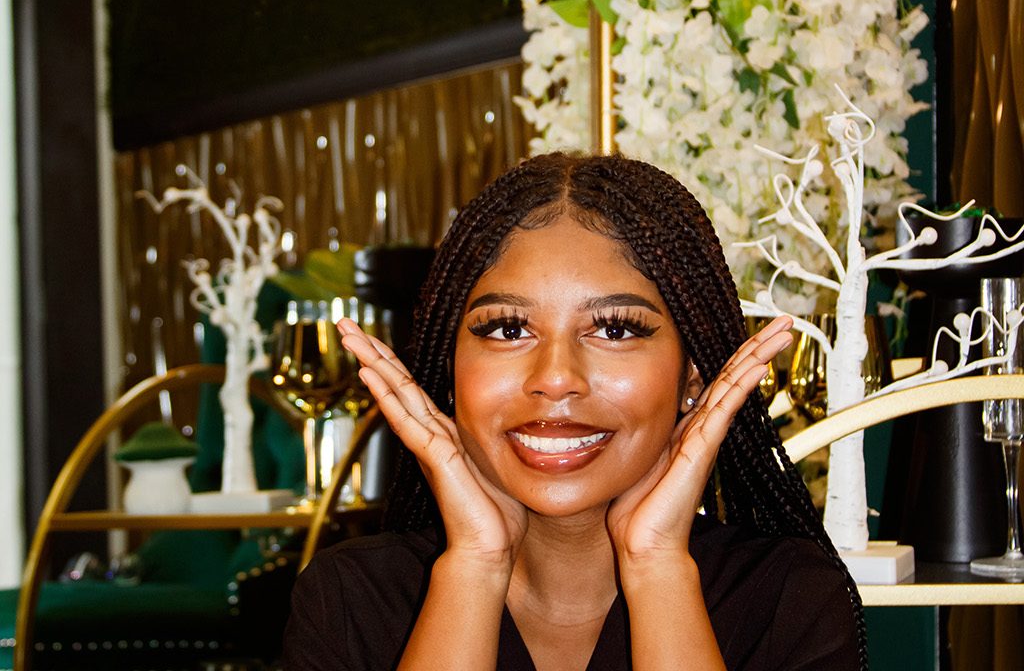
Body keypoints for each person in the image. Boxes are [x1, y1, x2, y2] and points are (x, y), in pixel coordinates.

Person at [283, 152, 864, 671]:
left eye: (614, 329)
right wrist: (475, 565)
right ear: (450, 367)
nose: (556, 378)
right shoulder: (350, 600)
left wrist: (657, 566)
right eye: (509, 329)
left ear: (693, 375)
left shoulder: (788, 599)